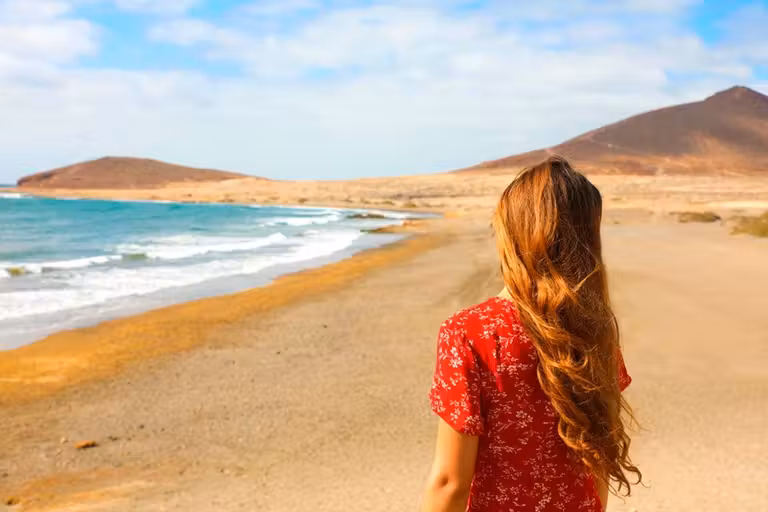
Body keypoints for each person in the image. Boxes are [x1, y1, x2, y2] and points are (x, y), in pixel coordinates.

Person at [421, 156, 641, 512]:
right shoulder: (595, 331)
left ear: (512, 235)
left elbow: (450, 484)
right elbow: (598, 459)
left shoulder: (469, 335)